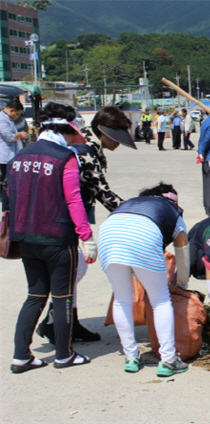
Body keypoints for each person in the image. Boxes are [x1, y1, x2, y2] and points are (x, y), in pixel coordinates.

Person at [6, 102, 97, 372]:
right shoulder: (64, 157)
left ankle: (21, 356)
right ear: (66, 128)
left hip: (24, 238)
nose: (72, 138)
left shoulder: (19, 157)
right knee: (62, 298)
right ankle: (64, 354)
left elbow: (10, 197)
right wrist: (87, 237)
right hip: (57, 239)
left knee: (34, 296)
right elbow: (74, 200)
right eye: (71, 132)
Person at [36, 106, 137, 345]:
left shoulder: (91, 148)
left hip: (71, 216)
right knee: (74, 269)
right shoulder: (86, 150)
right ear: (103, 131)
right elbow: (104, 193)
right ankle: (56, 320)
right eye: (117, 138)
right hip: (65, 217)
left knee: (74, 269)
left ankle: (68, 322)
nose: (119, 144)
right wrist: (136, 213)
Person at [98, 182, 190, 376]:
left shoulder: (131, 203)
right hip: (142, 236)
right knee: (160, 299)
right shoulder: (174, 211)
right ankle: (169, 360)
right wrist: (182, 284)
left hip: (108, 234)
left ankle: (131, 357)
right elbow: (183, 254)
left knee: (122, 298)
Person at [0, 99, 29, 207]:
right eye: (17, 114)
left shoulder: (7, 119)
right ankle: (7, 207)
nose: (17, 117)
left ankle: (11, 204)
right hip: (6, 157)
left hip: (12, 156)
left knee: (12, 182)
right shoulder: (2, 119)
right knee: (7, 183)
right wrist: (20, 135)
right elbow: (9, 137)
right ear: (12, 110)